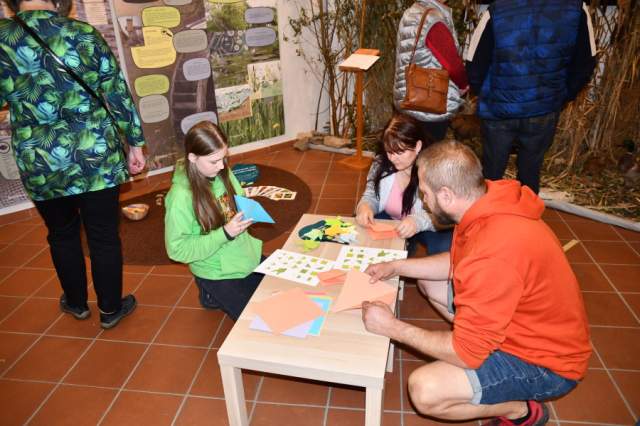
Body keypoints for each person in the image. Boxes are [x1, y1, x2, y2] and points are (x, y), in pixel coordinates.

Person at [361, 140, 591, 426]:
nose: (423, 201)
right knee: (428, 282)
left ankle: (520, 411)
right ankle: (479, 337)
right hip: (520, 326)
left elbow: (465, 353)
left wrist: (392, 327)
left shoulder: (493, 254)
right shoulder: (483, 202)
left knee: (425, 390)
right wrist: (396, 266)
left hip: (547, 364)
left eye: (425, 193)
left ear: (446, 195)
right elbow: (458, 260)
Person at [0, 0, 146, 329]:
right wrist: (135, 142)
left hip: (40, 158)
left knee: (61, 234)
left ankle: (77, 303)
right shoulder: (83, 33)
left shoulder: (4, 37)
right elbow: (116, 92)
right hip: (95, 153)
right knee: (103, 235)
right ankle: (110, 309)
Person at [465, 0, 597, 194]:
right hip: (544, 107)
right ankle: (527, 210)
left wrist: (483, 93)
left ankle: (488, 211)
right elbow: (586, 63)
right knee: (531, 171)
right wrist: (562, 95)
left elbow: (474, 62)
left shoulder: (498, 9)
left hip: (499, 108)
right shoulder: (576, 8)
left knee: (491, 172)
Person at [164, 121, 263, 321]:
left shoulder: (221, 171)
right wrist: (225, 233)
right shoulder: (180, 197)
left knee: (282, 287)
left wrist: (248, 211)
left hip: (242, 255)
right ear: (192, 158)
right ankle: (208, 290)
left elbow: (239, 199)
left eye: (224, 158)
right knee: (255, 321)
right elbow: (177, 249)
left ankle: (211, 294)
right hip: (216, 269)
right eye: (214, 161)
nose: (222, 166)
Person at [355, 112, 452, 255]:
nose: (393, 158)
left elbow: (445, 216)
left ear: (418, 146)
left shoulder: (434, 171)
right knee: (364, 229)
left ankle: (410, 247)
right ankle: (403, 248)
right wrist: (365, 206)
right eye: (389, 152)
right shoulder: (381, 163)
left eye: (399, 152)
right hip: (392, 220)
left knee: (443, 246)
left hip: (427, 225)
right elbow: (371, 194)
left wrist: (417, 222)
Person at [393, 0, 469, 143]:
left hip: (409, 98)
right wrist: (463, 84)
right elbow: (452, 64)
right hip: (430, 103)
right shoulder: (433, 20)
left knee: (412, 149)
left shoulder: (411, 12)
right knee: (430, 152)